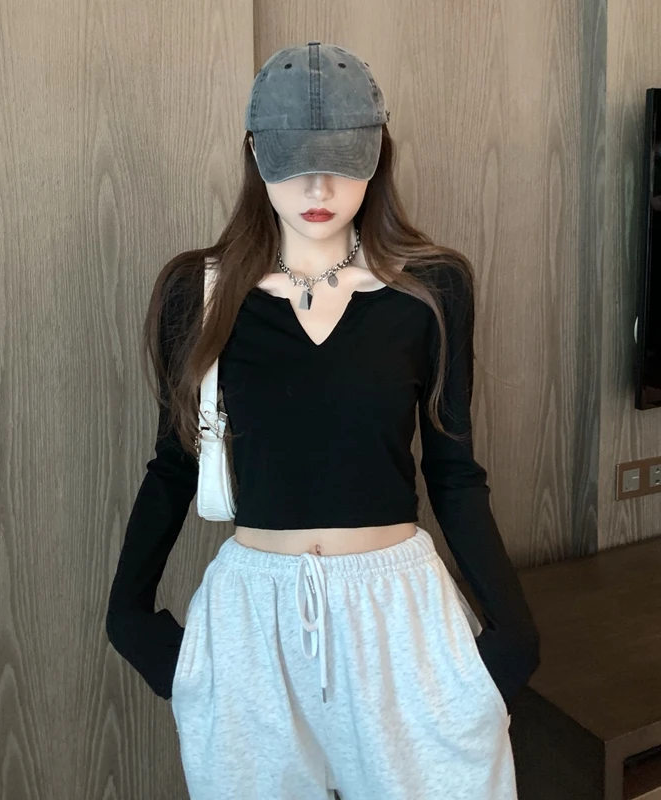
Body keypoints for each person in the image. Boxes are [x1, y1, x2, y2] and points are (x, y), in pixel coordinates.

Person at [105, 41, 540, 799]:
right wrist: (129, 621)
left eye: (342, 161)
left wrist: (514, 640)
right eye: (293, 162)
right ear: (254, 153)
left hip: (399, 621)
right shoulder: (197, 292)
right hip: (251, 630)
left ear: (378, 154)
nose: (318, 187)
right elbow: (174, 464)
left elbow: (454, 472)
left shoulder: (431, 289)